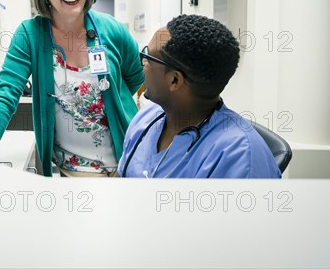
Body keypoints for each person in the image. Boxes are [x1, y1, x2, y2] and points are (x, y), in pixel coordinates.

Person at [0, 0, 144, 177]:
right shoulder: (30, 34)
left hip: (127, 159)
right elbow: (5, 96)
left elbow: (137, 78)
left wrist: (114, 101)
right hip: (72, 170)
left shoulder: (112, 29)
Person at [118, 15, 281, 178]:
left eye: (148, 57)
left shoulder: (241, 157)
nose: (143, 63)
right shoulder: (146, 118)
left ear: (175, 80)